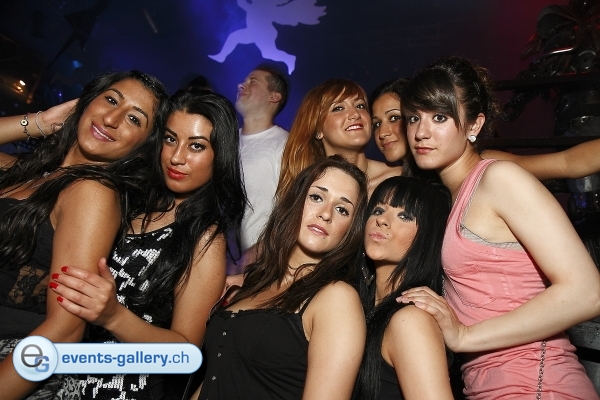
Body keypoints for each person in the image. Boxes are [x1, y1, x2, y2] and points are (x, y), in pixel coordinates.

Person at [397, 56, 600, 399]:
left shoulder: (498, 179)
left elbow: (587, 293)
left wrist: (465, 336)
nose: (421, 132)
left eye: (439, 117)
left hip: (537, 386)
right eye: (414, 117)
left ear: (474, 125)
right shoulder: (449, 197)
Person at [48, 91, 247, 399]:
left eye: (196, 146)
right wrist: (39, 123)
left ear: (220, 156)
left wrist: (113, 316)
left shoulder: (205, 238)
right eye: (170, 139)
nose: (176, 157)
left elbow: (185, 355)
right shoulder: (128, 200)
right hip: (59, 378)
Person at [0, 70, 170, 399]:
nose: (111, 119)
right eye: (111, 100)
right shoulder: (33, 173)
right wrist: (40, 122)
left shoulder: (91, 193)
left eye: (134, 119)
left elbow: (65, 330)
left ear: (143, 146)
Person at [195, 155, 368, 400]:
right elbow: (217, 379)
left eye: (342, 209)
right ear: (295, 200)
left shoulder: (337, 298)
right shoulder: (252, 283)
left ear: (351, 230)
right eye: (316, 197)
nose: (326, 214)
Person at [370, 78, 600, 181]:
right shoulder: (393, 180)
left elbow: (566, 163)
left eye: (395, 118)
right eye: (377, 123)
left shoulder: (478, 165)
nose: (383, 132)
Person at [354, 176, 453, 400]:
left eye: (404, 216)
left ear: (427, 237)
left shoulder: (411, 320)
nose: (382, 220)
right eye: (378, 210)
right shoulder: (358, 307)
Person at [277, 79, 401, 198]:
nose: (355, 114)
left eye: (360, 105)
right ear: (318, 129)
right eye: (338, 108)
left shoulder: (399, 177)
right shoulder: (307, 190)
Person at [233, 65, 289, 272]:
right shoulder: (225, 141)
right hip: (214, 262)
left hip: (257, 269)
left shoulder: (286, 146)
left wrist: (247, 260)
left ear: (274, 97)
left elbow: (293, 213)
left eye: (253, 82)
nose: (241, 85)